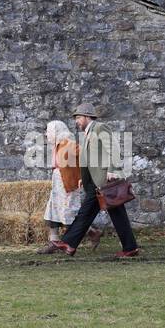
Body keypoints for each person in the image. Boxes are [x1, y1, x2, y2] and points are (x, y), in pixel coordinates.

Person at [45, 103, 140, 258]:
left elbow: (113, 149)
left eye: (78, 117)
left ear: (87, 116)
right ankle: (69, 243)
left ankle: (130, 248)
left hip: (105, 181)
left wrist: (113, 170)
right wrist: (84, 178)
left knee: (116, 214)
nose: (76, 121)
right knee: (85, 213)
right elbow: (89, 159)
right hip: (94, 183)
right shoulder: (88, 133)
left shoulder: (100, 128)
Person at [37, 120, 102, 250]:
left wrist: (82, 176)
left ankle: (92, 233)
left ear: (56, 132)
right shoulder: (57, 146)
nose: (46, 134)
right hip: (58, 184)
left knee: (69, 213)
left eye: (48, 131)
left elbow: (85, 155)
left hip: (67, 185)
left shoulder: (68, 144)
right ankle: (54, 241)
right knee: (53, 210)